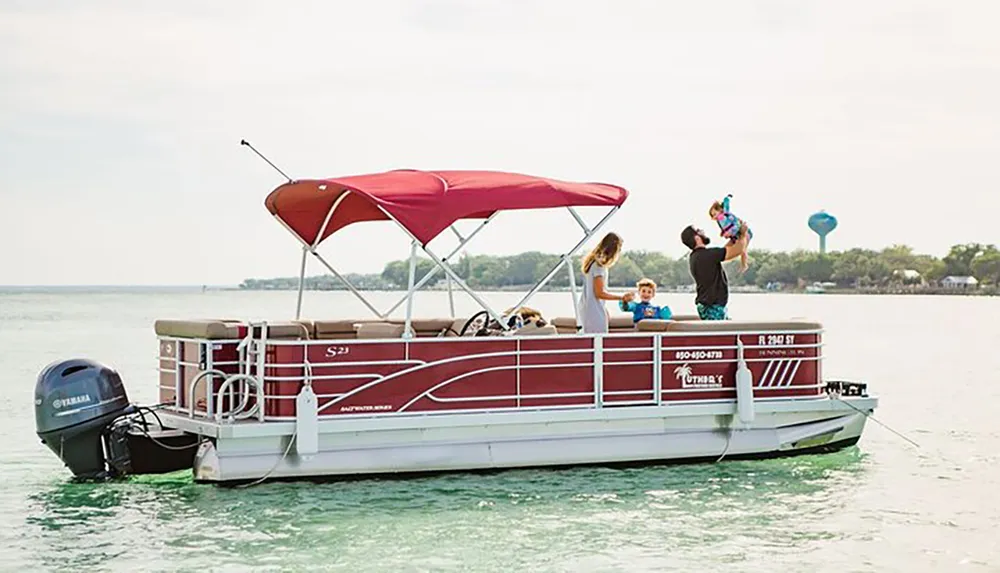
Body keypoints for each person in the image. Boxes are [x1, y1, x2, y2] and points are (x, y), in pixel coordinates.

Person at [680, 225, 749, 320]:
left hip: (707, 305)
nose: (702, 230)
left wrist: (734, 236)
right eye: (699, 230)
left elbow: (725, 250)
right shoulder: (708, 255)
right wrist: (743, 234)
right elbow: (738, 250)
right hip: (712, 306)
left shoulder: (696, 256)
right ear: (697, 238)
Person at [578, 232, 630, 334]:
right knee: (598, 344)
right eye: (619, 248)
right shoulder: (599, 266)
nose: (619, 251)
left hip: (587, 308)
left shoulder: (592, 263)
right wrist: (622, 297)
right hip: (593, 312)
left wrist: (604, 309)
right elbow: (599, 293)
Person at [709, 194, 753, 272]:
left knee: (743, 250)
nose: (714, 217)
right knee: (727, 249)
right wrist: (723, 233)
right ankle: (743, 264)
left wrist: (727, 198)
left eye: (715, 214)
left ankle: (744, 265)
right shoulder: (720, 221)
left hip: (743, 233)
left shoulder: (726, 215)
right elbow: (725, 228)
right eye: (713, 216)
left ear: (720, 210)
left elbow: (737, 224)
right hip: (734, 236)